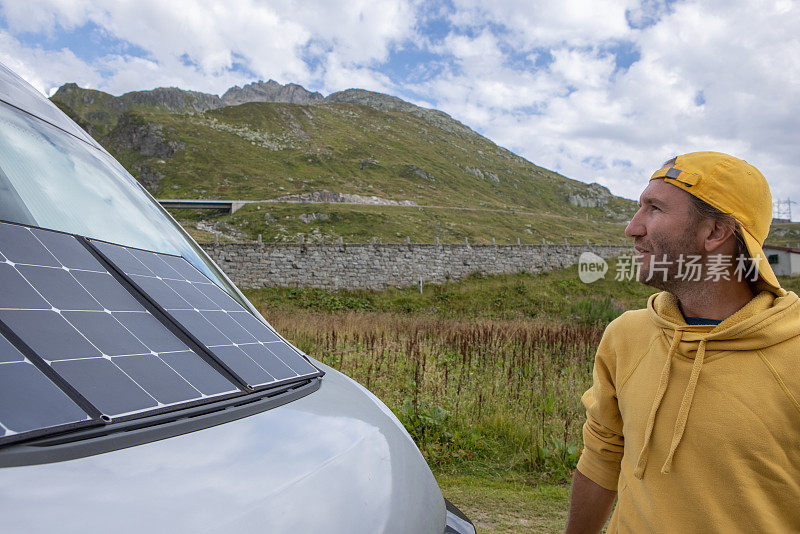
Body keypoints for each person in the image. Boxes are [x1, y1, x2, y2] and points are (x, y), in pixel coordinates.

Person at [565, 151, 800, 533]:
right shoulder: (626, 335)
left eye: (654, 209)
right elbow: (602, 459)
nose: (632, 228)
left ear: (714, 233)